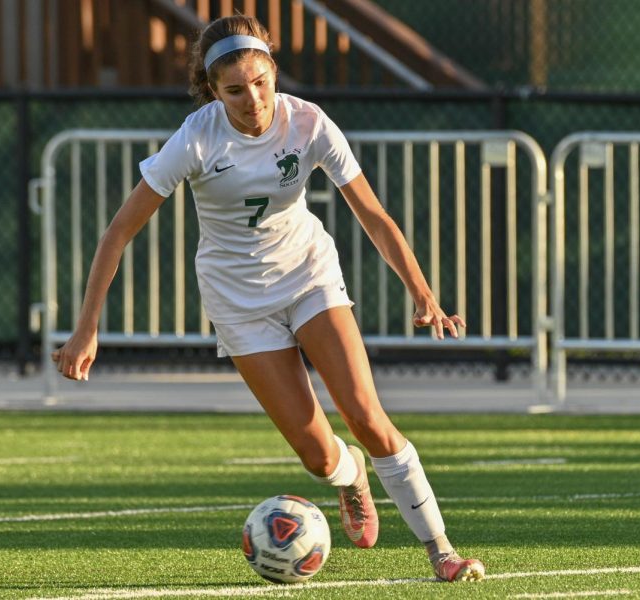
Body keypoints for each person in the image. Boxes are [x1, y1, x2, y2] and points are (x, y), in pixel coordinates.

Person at [51, 14, 485, 583]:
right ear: (212, 90)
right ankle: (351, 476)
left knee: (367, 416)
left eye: (261, 81)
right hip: (237, 300)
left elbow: (374, 217)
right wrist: (88, 327)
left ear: (273, 71)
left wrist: (422, 292)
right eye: (234, 89)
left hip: (308, 276)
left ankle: (442, 551)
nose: (253, 98)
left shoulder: (308, 123)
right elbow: (118, 232)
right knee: (318, 456)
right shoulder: (197, 136)